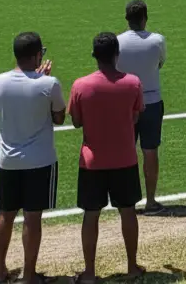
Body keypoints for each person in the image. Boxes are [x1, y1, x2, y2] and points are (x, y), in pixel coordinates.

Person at [0, 31, 66, 284]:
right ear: (36, 55)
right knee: (32, 218)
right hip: (39, 161)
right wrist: (41, 80)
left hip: (8, 161)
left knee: (6, 214)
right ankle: (29, 276)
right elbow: (58, 118)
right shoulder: (50, 84)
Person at [69, 32, 145, 283]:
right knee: (128, 212)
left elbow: (77, 122)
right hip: (125, 159)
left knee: (91, 215)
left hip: (92, 162)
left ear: (95, 56)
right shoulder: (133, 83)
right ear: (116, 55)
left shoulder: (80, 85)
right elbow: (135, 117)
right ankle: (132, 266)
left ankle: (90, 272)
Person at [116, 0, 167, 213]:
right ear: (145, 18)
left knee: (125, 152)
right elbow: (161, 64)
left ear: (127, 19)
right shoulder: (157, 41)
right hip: (152, 102)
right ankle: (151, 200)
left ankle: (126, 201)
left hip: (125, 103)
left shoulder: (117, 42)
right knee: (150, 151)